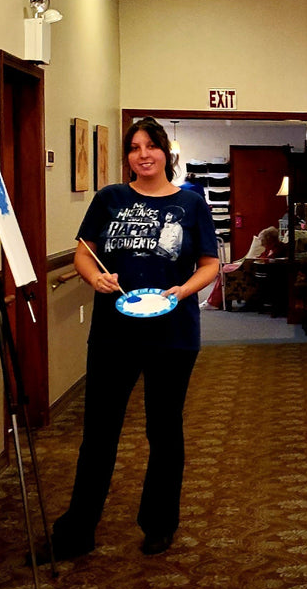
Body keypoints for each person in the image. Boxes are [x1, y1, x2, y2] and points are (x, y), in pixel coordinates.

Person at [50, 116, 220, 559]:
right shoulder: (110, 199)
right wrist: (94, 278)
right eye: (134, 147)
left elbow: (209, 263)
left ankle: (159, 524)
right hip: (114, 333)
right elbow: (83, 253)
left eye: (151, 146)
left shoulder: (191, 203)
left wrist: (185, 290)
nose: (143, 154)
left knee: (165, 430)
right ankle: (79, 528)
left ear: (166, 152)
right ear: (126, 157)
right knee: (99, 432)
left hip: (173, 332)